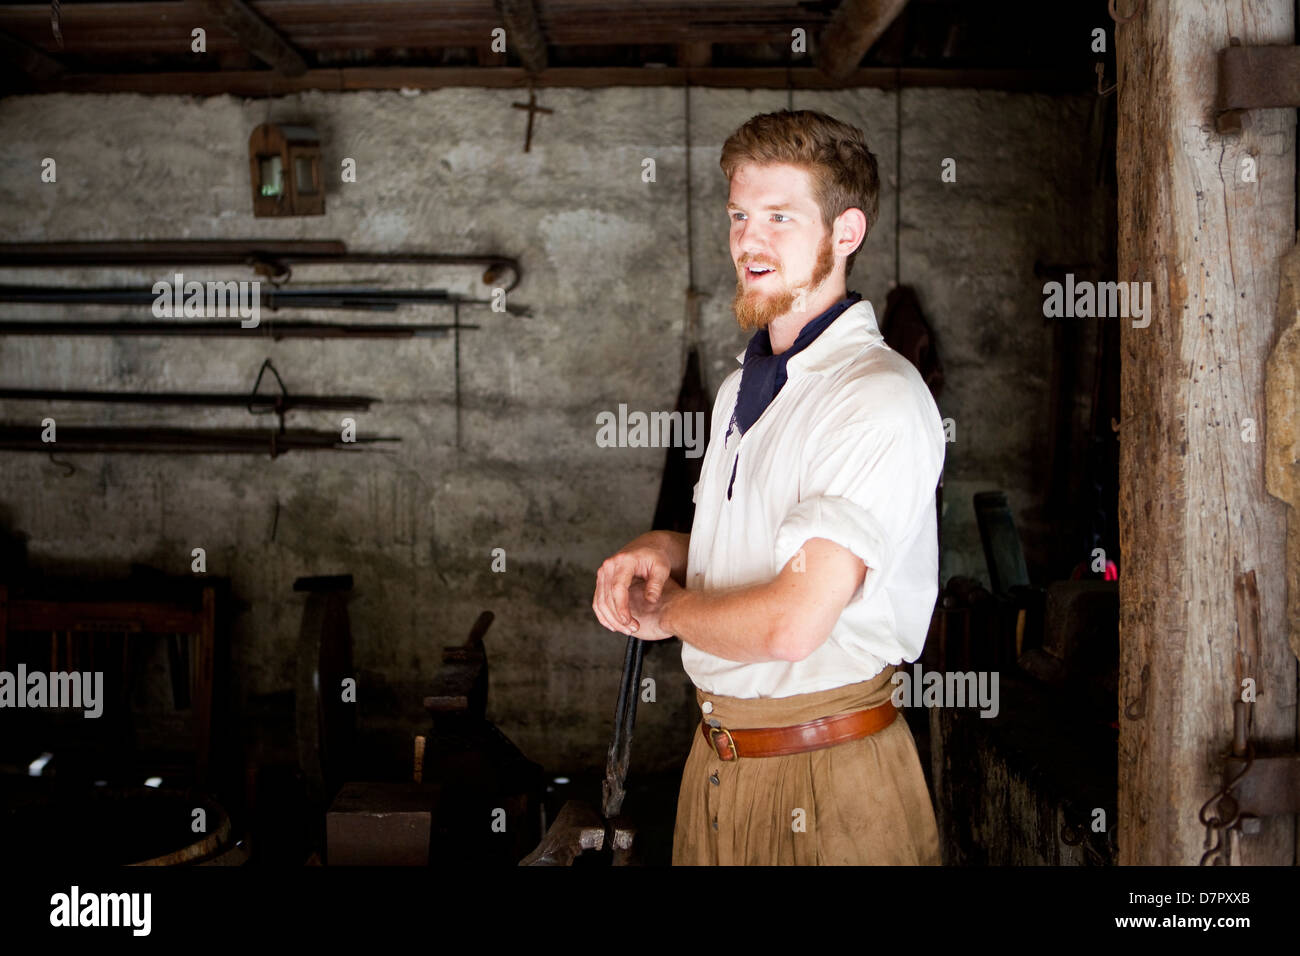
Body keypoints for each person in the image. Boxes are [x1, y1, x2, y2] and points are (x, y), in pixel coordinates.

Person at [592, 109, 945, 865]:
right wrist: (675, 550)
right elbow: (772, 549)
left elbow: (793, 623)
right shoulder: (737, 392)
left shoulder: (874, 394)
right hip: (719, 765)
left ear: (844, 233)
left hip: (825, 780)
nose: (749, 241)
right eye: (740, 216)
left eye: (781, 217)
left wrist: (670, 611)